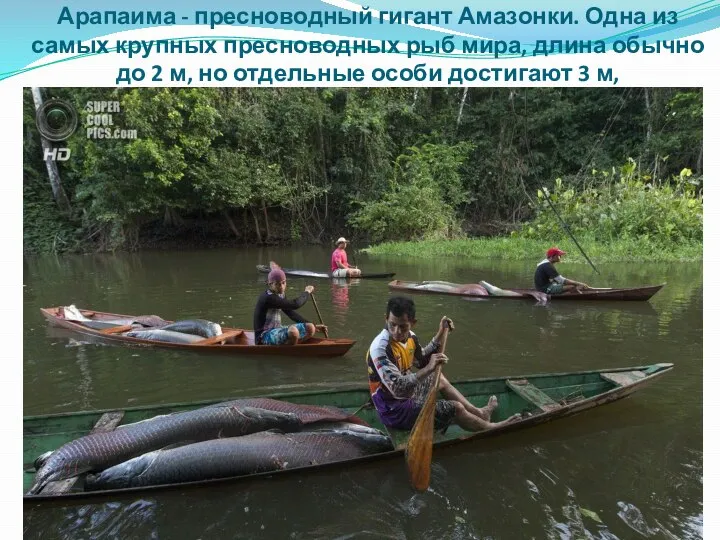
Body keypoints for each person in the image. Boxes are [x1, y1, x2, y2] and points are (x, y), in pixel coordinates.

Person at [366, 296, 521, 433]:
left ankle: (480, 414)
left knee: (438, 378)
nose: (397, 332)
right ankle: (491, 428)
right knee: (455, 408)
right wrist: (428, 368)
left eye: (403, 327)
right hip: (394, 410)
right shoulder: (381, 348)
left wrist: (440, 334)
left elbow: (420, 359)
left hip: (406, 396)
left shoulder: (411, 337)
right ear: (386, 318)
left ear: (413, 323)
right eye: (392, 324)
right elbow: (398, 388)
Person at [253, 265, 327, 345]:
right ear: (270, 284)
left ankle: (293, 344)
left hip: (278, 329)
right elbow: (295, 304)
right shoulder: (268, 298)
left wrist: (315, 326)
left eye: (283, 283)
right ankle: (292, 349)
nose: (281, 287)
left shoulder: (281, 294)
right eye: (277, 284)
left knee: (310, 327)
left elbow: (291, 313)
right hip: (264, 336)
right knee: (293, 332)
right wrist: (306, 292)